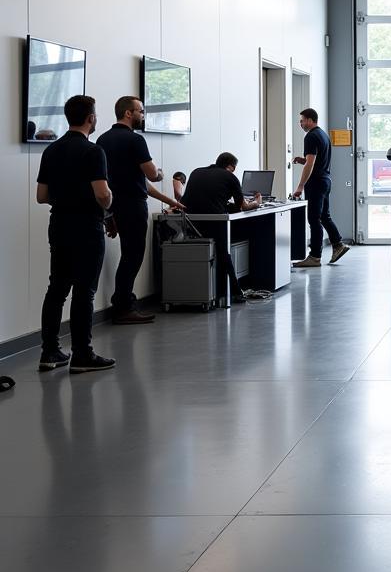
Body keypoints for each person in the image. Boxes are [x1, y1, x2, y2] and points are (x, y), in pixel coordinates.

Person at [36, 95, 116, 373]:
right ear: (91, 118)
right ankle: (82, 354)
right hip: (87, 227)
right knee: (85, 291)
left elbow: (41, 195)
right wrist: (108, 202)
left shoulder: (51, 151)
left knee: (57, 289)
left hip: (58, 224)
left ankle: (50, 352)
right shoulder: (93, 152)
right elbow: (103, 195)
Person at [97, 96, 182, 324]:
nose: (143, 115)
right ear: (128, 113)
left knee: (128, 255)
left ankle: (123, 302)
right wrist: (162, 173)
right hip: (133, 206)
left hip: (113, 206)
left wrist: (169, 201)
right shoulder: (135, 140)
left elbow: (138, 181)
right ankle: (124, 306)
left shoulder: (102, 140)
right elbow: (152, 174)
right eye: (141, 111)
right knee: (133, 257)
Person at [182, 152, 261, 303]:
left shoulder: (196, 172)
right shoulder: (230, 177)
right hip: (215, 221)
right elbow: (243, 206)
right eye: (233, 169)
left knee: (220, 253)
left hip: (192, 223)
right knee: (224, 254)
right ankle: (237, 293)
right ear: (230, 166)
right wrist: (257, 202)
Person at [291, 108, 348, 268]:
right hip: (325, 180)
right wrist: (303, 160)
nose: (300, 124)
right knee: (324, 216)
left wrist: (300, 186)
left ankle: (315, 256)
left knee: (314, 219)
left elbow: (311, 163)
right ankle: (338, 245)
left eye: (302, 120)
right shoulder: (323, 135)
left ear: (310, 120)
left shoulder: (310, 136)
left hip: (315, 183)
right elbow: (315, 160)